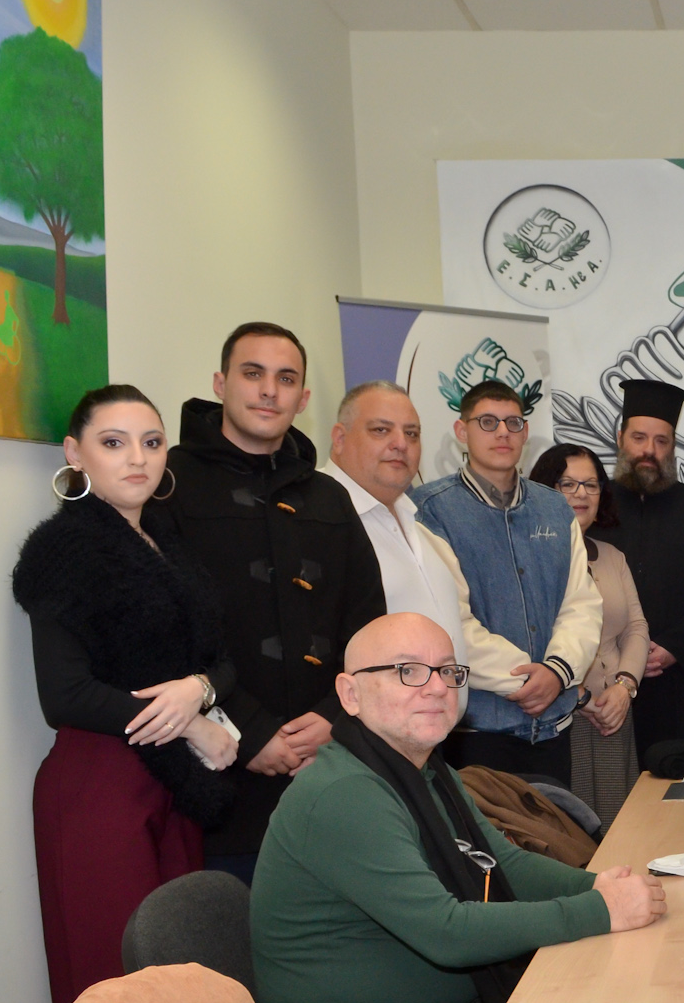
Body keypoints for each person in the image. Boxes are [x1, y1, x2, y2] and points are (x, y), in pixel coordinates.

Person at [251, 613, 666, 1003]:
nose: (436, 688)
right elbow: (447, 933)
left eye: (448, 671)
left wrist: (598, 887)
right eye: (408, 671)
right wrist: (600, 910)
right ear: (350, 694)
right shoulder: (343, 794)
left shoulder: (424, 770)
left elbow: (502, 864)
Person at [13, 387, 240, 1003]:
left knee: (188, 988)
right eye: (114, 443)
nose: (138, 458)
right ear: (75, 453)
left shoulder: (169, 545)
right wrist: (190, 724)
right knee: (116, 994)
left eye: (151, 442)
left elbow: (222, 660)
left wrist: (199, 689)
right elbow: (65, 696)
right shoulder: (60, 552)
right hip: (101, 788)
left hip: (174, 788)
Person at [166, 322, 387, 882]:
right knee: (228, 928)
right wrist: (248, 730)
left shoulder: (330, 497)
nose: (269, 390)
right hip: (217, 775)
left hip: (328, 770)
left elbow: (370, 629)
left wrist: (334, 718)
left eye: (286, 379)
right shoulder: (169, 485)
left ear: (303, 398)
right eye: (253, 373)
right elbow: (161, 630)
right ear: (220, 383)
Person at [412, 381, 602, 787]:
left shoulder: (555, 508)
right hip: (476, 731)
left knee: (556, 827)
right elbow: (449, 622)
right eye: (488, 422)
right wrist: (529, 680)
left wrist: (557, 672)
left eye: (513, 423)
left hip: (553, 727)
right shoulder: (431, 510)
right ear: (461, 431)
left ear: (526, 432)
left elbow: (581, 604)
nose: (503, 432)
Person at [591, 379, 684, 760]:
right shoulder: (595, 507)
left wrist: (673, 648)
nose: (649, 451)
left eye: (661, 441)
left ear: (673, 446)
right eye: (639, 438)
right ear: (620, 439)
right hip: (608, 686)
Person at [529, 443, 649, 828]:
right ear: (544, 491)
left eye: (591, 484)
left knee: (620, 831)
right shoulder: (528, 559)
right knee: (573, 833)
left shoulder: (612, 556)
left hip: (615, 714)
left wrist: (625, 687)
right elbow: (528, 638)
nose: (581, 494)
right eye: (567, 484)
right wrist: (578, 696)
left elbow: (636, 628)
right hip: (562, 716)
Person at [322, 381, 466, 664]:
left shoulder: (423, 529)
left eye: (412, 434)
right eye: (381, 430)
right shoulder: (311, 518)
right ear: (339, 438)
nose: (401, 444)